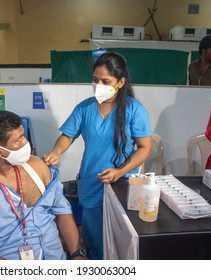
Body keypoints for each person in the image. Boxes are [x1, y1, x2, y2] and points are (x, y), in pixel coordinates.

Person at [43, 52, 152, 260]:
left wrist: (120, 172)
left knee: (120, 236)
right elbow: (67, 136)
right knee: (93, 237)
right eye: (95, 80)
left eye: (105, 81)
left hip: (122, 184)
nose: (98, 85)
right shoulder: (85, 107)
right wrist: (56, 152)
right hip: (92, 181)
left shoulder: (134, 110)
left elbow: (144, 148)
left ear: (121, 82)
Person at [0, 110, 87, 260]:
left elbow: (63, 212)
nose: (26, 143)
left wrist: (77, 254)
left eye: (24, 135)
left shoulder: (37, 166)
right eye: (19, 139)